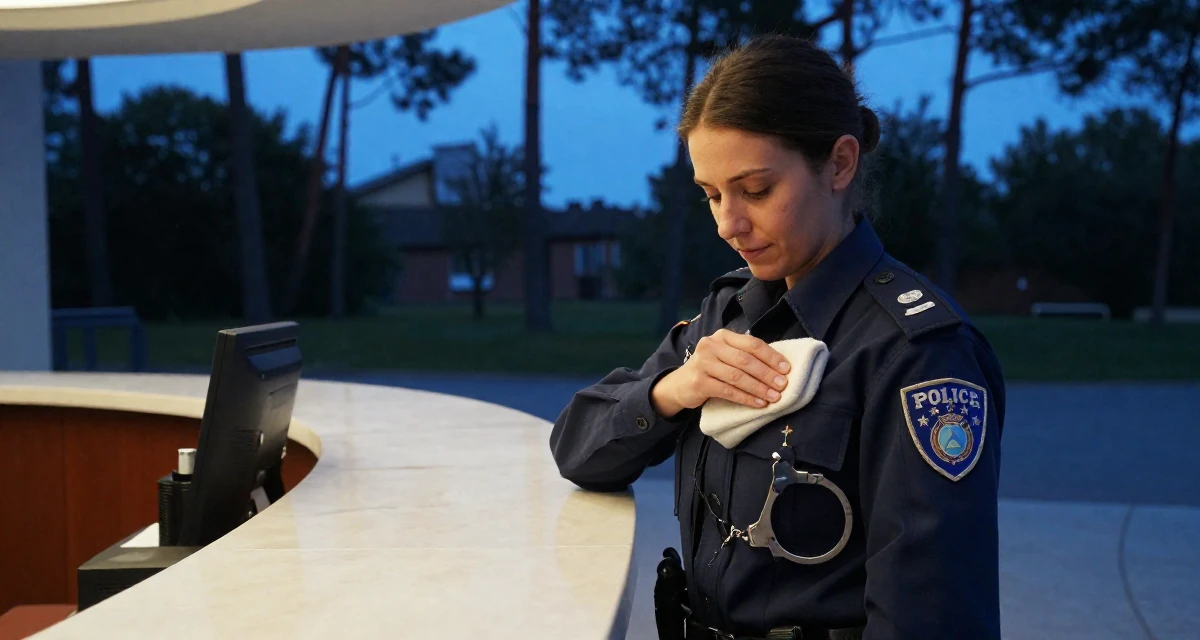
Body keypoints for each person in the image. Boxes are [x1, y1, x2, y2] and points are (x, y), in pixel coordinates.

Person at [548, 33, 1006, 640]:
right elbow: (576, 451)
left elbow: (931, 617)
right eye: (711, 195)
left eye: (756, 191)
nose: (729, 224)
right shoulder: (728, 311)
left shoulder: (918, 354)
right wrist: (671, 391)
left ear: (840, 163)